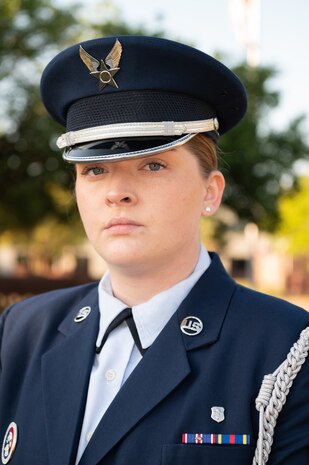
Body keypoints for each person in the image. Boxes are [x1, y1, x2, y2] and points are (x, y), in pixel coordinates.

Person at [0, 36, 308, 465]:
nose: (118, 192)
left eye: (153, 165)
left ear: (210, 191)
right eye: (95, 169)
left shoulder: (287, 351)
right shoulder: (20, 332)